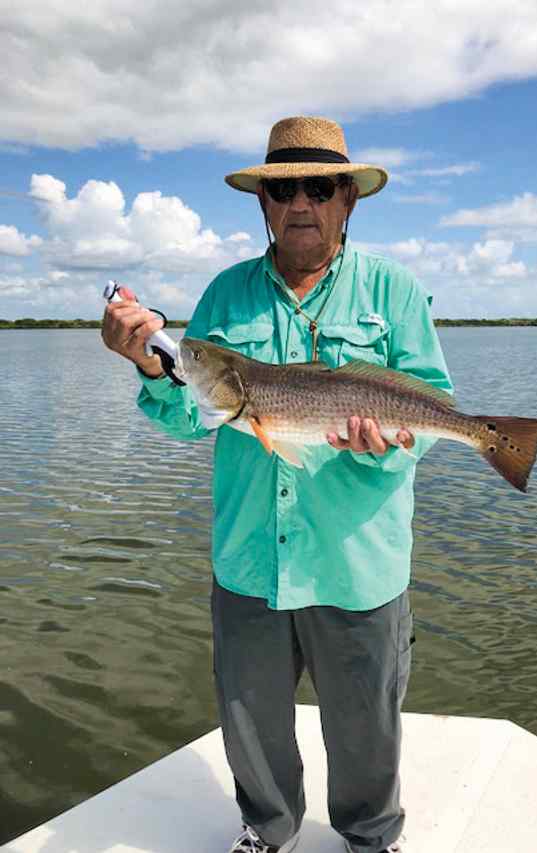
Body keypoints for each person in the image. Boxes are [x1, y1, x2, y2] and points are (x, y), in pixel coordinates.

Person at [102, 116, 453, 853]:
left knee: (367, 723)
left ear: (347, 199)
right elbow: (192, 413)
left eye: (319, 188)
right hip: (249, 558)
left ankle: (371, 836)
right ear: (263, 202)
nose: (301, 203)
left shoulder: (394, 291)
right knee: (251, 717)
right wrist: (147, 364)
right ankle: (268, 829)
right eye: (284, 189)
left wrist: (384, 448)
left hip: (357, 562)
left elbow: (429, 410)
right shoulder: (226, 295)